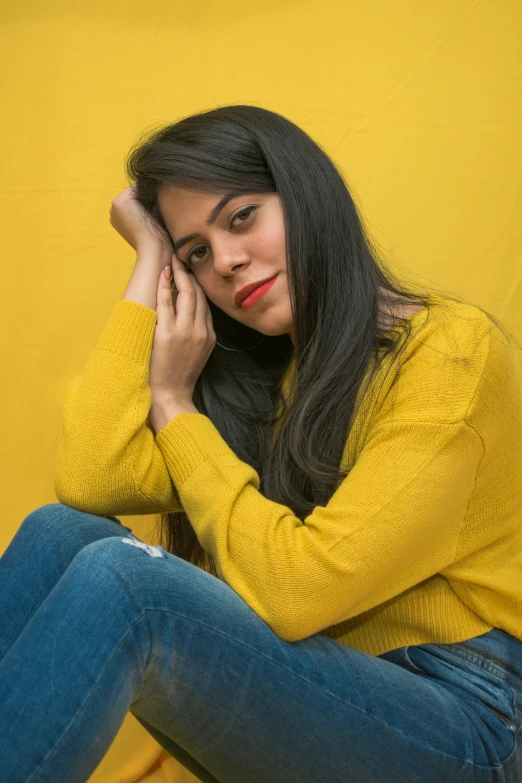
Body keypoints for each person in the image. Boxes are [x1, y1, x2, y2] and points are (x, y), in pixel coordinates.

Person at [1, 105, 521, 783]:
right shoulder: (269, 387)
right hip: (327, 686)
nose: (227, 261)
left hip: (467, 718)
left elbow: (298, 592)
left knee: (129, 586)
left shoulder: (449, 354)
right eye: (196, 251)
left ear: (303, 194)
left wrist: (172, 403)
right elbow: (89, 475)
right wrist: (148, 264)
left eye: (241, 216)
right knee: (60, 531)